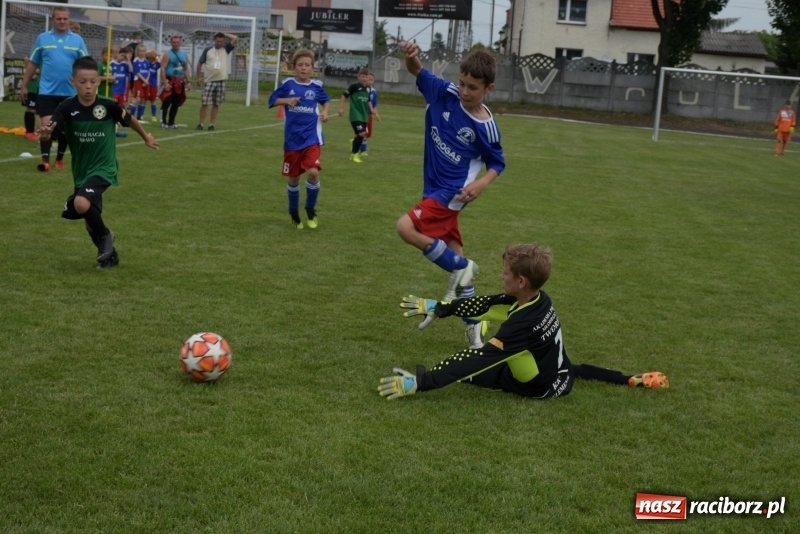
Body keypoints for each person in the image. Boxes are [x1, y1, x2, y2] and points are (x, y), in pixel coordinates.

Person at [378, 243, 669, 400]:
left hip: (539, 388)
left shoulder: (522, 326)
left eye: (505, 273)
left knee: (471, 372)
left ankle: (442, 369)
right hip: (560, 371)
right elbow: (487, 304)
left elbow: (478, 359)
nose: (501, 276)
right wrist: (440, 307)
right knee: (576, 369)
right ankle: (629, 378)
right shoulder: (538, 299)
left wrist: (422, 381)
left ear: (521, 281)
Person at [395, 41, 505, 350]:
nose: (465, 91)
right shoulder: (444, 93)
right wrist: (412, 58)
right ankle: (474, 328)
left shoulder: (486, 127)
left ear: (489, 89)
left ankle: (462, 267)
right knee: (456, 256)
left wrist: (482, 184)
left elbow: (497, 162)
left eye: (473, 87)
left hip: (453, 192)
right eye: (463, 83)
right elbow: (418, 71)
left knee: (405, 227)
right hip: (433, 188)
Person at [38, 56, 159, 270]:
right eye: (82, 81)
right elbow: (51, 130)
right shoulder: (66, 107)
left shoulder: (108, 105)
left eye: (93, 81)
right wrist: (46, 134)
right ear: (72, 81)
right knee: (89, 219)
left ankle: (106, 236)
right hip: (81, 170)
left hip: (104, 167)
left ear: (99, 81)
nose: (88, 86)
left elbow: (129, 119)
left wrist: (145, 137)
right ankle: (110, 257)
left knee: (81, 203)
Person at [20, 6, 88, 172]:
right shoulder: (43, 38)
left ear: (69, 20)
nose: (62, 21)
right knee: (46, 126)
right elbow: (33, 63)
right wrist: (24, 85)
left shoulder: (77, 40)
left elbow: (85, 65)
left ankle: (59, 158)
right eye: (59, 19)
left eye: (65, 19)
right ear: (53, 20)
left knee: (66, 128)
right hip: (47, 92)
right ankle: (45, 161)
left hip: (70, 93)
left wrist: (86, 85)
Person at [268, 49, 330, 229]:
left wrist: (325, 112)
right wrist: (286, 101)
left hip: (312, 138)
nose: (303, 68)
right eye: (300, 65)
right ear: (293, 67)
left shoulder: (316, 86)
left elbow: (326, 100)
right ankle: (294, 212)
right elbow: (272, 100)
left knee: (313, 172)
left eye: (307, 65)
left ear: (312, 68)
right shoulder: (287, 84)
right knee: (294, 178)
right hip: (292, 140)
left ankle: (310, 209)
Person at [195, 32, 239, 131]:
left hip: (221, 80)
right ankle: (200, 123)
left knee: (216, 104)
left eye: (221, 41)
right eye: (218, 41)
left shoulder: (226, 49)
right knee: (205, 102)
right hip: (209, 80)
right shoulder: (208, 50)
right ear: (214, 40)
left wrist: (224, 34)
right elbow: (200, 63)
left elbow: (235, 38)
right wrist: (199, 77)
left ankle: (211, 124)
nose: (219, 43)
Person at [337, 67, 373, 163]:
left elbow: (368, 100)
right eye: (362, 76)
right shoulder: (354, 87)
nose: (364, 78)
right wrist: (341, 108)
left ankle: (354, 149)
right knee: (362, 134)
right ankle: (355, 154)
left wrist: (372, 109)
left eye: (366, 77)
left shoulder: (368, 89)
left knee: (360, 135)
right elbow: (344, 96)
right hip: (355, 115)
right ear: (358, 77)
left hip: (364, 116)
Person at [160, 35, 192, 129]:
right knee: (167, 101)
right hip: (170, 80)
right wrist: (165, 83)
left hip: (179, 81)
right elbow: (162, 68)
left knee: (176, 103)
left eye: (177, 42)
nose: (176, 44)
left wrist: (189, 82)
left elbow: (186, 69)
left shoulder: (184, 54)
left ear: (180, 43)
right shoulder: (167, 54)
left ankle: (171, 122)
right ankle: (163, 121)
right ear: (171, 43)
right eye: (174, 42)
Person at [359, 73, 381, 157]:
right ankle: (363, 150)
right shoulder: (361, 90)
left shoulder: (373, 91)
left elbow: (374, 104)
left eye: (372, 80)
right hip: (362, 114)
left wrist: (376, 114)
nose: (370, 81)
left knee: (368, 134)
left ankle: (356, 141)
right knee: (364, 132)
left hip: (369, 115)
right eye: (368, 79)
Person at [22, 58, 40, 142]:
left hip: (43, 87)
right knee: (31, 109)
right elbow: (26, 59)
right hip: (33, 87)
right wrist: (33, 72)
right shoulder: (38, 52)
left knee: (42, 111)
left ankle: (40, 133)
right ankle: (29, 133)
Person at [131, 44, 150, 120]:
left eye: (143, 51)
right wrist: (144, 80)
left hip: (145, 82)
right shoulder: (136, 60)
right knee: (138, 98)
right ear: (137, 52)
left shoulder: (147, 61)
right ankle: (131, 116)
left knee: (143, 99)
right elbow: (137, 72)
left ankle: (139, 117)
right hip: (138, 81)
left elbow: (148, 72)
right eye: (140, 51)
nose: (142, 52)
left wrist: (147, 80)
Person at [145, 50, 161, 122]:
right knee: (144, 100)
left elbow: (160, 62)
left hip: (153, 85)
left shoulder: (156, 64)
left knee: (153, 101)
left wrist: (157, 55)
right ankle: (141, 115)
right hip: (146, 84)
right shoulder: (146, 63)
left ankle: (153, 116)